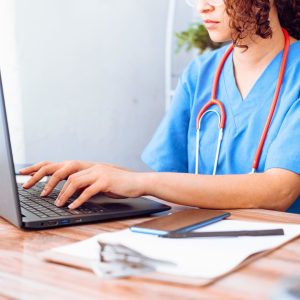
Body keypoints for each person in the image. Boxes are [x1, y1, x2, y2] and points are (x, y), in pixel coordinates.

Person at [20, 0, 300, 212]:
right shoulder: (201, 73)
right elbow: (172, 181)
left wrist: (142, 182)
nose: (202, 7)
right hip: (206, 243)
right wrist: (104, 175)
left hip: (281, 262)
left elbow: (279, 191)